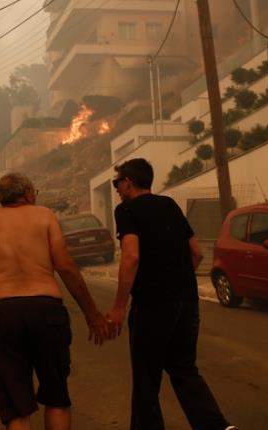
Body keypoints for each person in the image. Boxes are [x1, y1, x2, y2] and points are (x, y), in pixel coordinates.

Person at [0, 172, 112, 430]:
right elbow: (66, 268)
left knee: (15, 405)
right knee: (56, 395)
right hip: (46, 312)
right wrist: (92, 314)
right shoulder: (44, 216)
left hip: (4, 315)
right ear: (28, 194)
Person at [105, 158, 237, 430]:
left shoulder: (126, 210)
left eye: (117, 182)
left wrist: (119, 307)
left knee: (146, 379)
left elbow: (131, 256)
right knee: (184, 369)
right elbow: (197, 252)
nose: (116, 188)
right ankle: (217, 427)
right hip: (186, 302)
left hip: (152, 304)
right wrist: (177, 280)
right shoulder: (170, 205)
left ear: (128, 182)